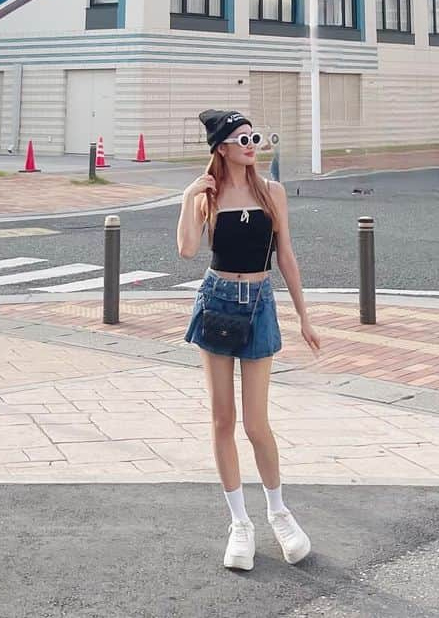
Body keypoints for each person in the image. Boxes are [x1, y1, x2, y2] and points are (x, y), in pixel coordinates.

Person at [177, 108, 321, 571]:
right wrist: (187, 200)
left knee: (256, 424)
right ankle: (240, 523)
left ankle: (279, 513)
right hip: (217, 299)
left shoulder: (272, 191)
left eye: (253, 136)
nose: (251, 144)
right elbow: (186, 250)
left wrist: (304, 315)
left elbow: (287, 255)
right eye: (241, 139)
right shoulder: (209, 194)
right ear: (221, 148)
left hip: (259, 303)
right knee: (223, 419)